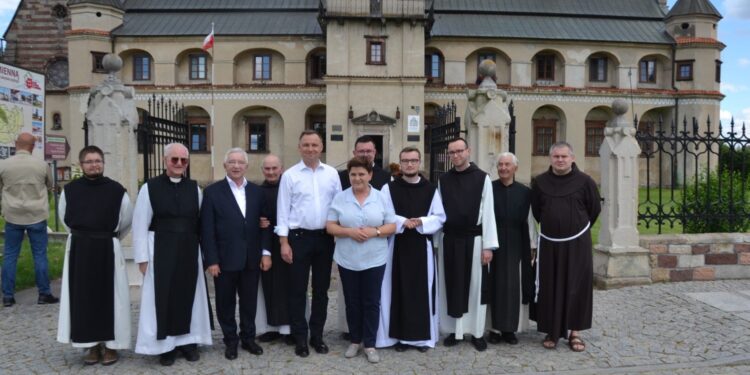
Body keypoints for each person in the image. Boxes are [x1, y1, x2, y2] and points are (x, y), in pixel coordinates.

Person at [133, 143, 212, 366]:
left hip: (189, 248)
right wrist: (141, 258)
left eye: (183, 160)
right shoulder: (150, 188)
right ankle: (165, 347)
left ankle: (188, 342)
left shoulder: (194, 188)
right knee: (163, 296)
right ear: (165, 160)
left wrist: (204, 255)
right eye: (174, 159)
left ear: (187, 163)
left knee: (189, 296)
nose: (178, 164)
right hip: (160, 248)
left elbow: (199, 223)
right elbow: (140, 223)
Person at [56, 146, 132, 366]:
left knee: (112, 298)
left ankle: (110, 346)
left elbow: (125, 220)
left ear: (103, 163)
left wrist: (109, 237)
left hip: (107, 247)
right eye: (89, 161)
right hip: (80, 249)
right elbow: (65, 218)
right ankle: (90, 345)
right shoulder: (70, 191)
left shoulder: (117, 191)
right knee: (83, 297)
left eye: (98, 160)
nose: (94, 164)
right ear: (82, 165)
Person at [201, 148, 272, 360]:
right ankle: (230, 340)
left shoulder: (258, 192)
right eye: (231, 162)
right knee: (225, 302)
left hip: (251, 258)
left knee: (249, 301)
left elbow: (266, 224)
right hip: (224, 259)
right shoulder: (212, 192)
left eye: (240, 162)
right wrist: (211, 259)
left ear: (246, 166)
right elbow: (207, 229)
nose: (236, 166)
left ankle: (248, 338)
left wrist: (265, 253)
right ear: (225, 165)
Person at [277, 130, 341, 358]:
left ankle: (317, 336)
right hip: (298, 239)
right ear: (299, 147)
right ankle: (300, 337)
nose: (311, 149)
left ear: (321, 147)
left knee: (321, 290)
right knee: (297, 290)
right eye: (306, 145)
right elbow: (282, 211)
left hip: (325, 238)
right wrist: (284, 243)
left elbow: (339, 207)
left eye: (315, 145)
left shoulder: (332, 174)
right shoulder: (290, 176)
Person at [531, 141, 601, 352]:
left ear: (572, 158)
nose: (560, 160)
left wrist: (574, 227)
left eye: (564, 156)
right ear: (550, 159)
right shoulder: (540, 182)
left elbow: (594, 210)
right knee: (550, 285)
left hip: (577, 243)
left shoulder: (586, 182)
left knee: (576, 286)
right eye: (556, 157)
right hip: (550, 244)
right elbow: (537, 211)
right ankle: (552, 331)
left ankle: (575, 332)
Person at [326, 156, 396, 363]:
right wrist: (349, 232)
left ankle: (371, 343)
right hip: (348, 258)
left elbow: (391, 226)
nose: (357, 178)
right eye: (353, 174)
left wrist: (375, 231)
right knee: (352, 301)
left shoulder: (382, 197)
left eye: (361, 174)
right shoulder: (340, 198)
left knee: (372, 301)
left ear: (370, 175)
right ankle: (355, 340)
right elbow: (330, 226)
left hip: (375, 258)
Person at [376, 147, 445, 352]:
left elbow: (440, 217)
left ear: (419, 162)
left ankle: (421, 339)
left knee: (421, 292)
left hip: (420, 247)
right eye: (405, 160)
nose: (409, 164)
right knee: (395, 290)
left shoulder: (431, 189)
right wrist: (403, 222)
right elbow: (382, 213)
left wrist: (421, 221)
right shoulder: (389, 188)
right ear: (400, 162)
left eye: (413, 160)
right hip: (396, 246)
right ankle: (399, 337)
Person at [437, 137, 498, 352]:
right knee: (451, 286)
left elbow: (489, 212)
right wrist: (437, 243)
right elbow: (438, 212)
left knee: (475, 288)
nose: (456, 155)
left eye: (459, 151)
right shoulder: (443, 180)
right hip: (450, 240)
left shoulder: (482, 178)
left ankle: (477, 332)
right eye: (452, 152)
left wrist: (488, 246)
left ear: (468, 151)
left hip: (474, 240)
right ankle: (454, 331)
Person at [337, 135, 391, 339]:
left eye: (369, 151)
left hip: (374, 249)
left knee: (371, 297)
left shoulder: (386, 177)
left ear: (375, 153)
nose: (365, 154)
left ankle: (370, 335)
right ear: (354, 153)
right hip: (348, 248)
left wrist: (375, 232)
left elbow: (390, 217)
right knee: (350, 297)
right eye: (361, 151)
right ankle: (349, 330)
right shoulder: (342, 177)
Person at [0, 132, 58, 307]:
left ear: (16, 144)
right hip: (36, 215)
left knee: (10, 255)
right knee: (40, 255)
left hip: (13, 215)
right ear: (33, 147)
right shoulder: (41, 165)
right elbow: (50, 185)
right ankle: (44, 294)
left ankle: (8, 296)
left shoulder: (4, 165)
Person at [488, 152, 537, 346]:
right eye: (500, 165)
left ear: (515, 168)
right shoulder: (489, 189)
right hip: (494, 241)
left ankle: (510, 329)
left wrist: (533, 246)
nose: (503, 168)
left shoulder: (524, 192)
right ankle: (493, 328)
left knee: (513, 285)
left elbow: (530, 220)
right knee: (494, 284)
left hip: (517, 241)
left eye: (507, 165)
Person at [255, 154, 295, 345]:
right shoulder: (256, 192)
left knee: (290, 285)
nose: (271, 172)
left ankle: (290, 328)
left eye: (274, 168)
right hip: (267, 244)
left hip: (289, 244)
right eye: (267, 169)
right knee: (269, 287)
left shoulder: (289, 188)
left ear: (282, 168)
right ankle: (271, 327)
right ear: (262, 170)